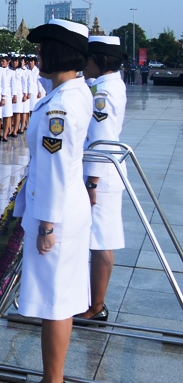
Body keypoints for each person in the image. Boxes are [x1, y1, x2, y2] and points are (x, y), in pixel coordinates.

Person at [8, 18, 92, 383]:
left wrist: (46, 226)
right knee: (57, 297)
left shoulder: (61, 104)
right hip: (63, 210)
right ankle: (49, 378)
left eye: (43, 49)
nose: (37, 54)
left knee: (55, 301)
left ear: (58, 52)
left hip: (55, 215)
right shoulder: (69, 92)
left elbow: (55, 169)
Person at [74, 35, 127, 324]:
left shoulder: (103, 93)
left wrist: (91, 182)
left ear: (100, 60)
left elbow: (102, 140)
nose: (84, 64)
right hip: (102, 173)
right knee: (98, 240)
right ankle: (94, 301)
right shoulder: (106, 85)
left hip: (101, 175)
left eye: (88, 59)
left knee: (100, 240)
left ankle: (96, 306)